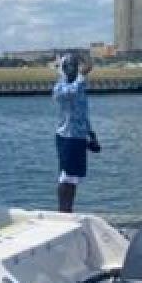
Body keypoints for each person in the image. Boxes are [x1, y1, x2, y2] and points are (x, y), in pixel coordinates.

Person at [53, 53, 100, 213]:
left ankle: (69, 210)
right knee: (66, 176)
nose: (74, 69)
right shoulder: (61, 87)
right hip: (67, 136)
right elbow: (69, 94)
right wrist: (82, 75)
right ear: (64, 69)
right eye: (70, 66)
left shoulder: (80, 86)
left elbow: (82, 112)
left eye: (75, 65)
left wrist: (91, 134)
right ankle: (62, 211)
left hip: (79, 135)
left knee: (74, 177)